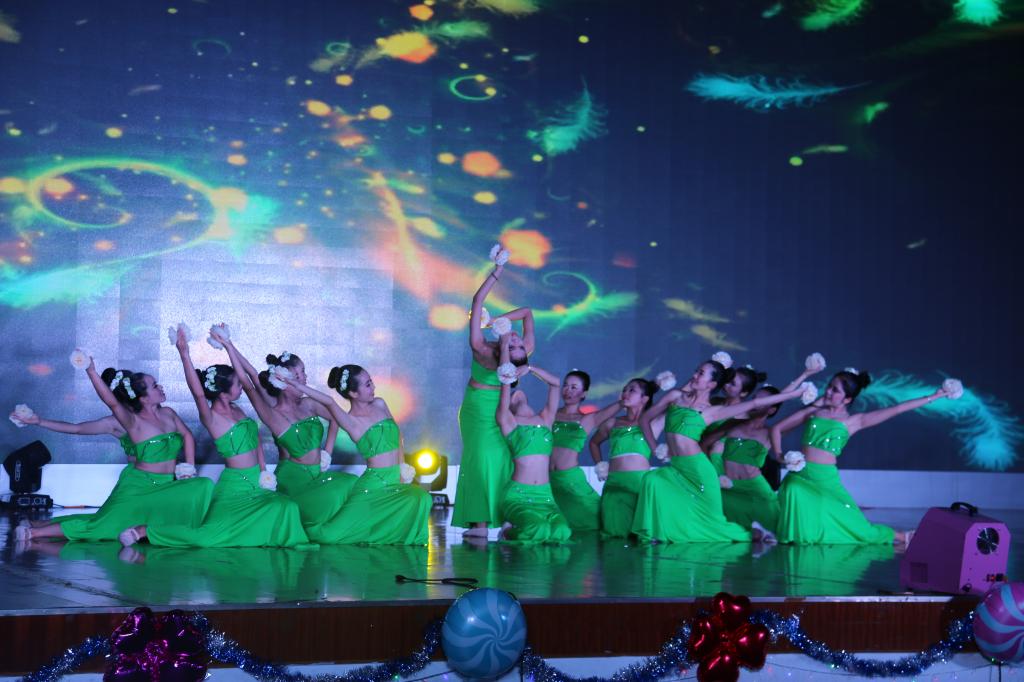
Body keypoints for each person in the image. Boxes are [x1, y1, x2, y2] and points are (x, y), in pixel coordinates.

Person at [118, 328, 309, 548]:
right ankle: (145, 531)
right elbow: (198, 393)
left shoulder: (238, 410)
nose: (241, 387)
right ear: (223, 392)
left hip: (256, 483)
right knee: (206, 538)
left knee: (286, 507)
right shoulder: (212, 417)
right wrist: (184, 354)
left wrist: (264, 472)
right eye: (237, 384)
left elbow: (255, 439)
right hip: (234, 488)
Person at [17, 357, 212, 542]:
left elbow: (187, 436)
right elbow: (97, 414)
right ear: (143, 398)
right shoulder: (130, 422)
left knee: (203, 485)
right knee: (103, 526)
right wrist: (91, 371)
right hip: (138, 485)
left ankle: (159, 533)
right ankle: (33, 532)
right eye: (154, 386)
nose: (160, 387)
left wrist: (188, 468)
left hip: (167, 483)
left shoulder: (168, 413)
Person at [631, 353, 810, 543]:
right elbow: (644, 419)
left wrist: (793, 394)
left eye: (701, 373)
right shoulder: (675, 396)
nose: (694, 375)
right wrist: (655, 448)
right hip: (677, 466)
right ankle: (658, 531)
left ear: (711, 384)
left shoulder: (712, 411)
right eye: (696, 371)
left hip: (698, 470)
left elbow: (756, 403)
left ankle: (749, 533)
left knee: (711, 521)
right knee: (653, 480)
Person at [772, 369, 959, 544]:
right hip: (800, 474)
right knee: (792, 488)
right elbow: (777, 428)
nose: (828, 392)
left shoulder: (853, 421)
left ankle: (900, 536)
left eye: (835, 390)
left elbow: (897, 409)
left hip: (825, 478)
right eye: (829, 386)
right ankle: (797, 537)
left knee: (857, 526)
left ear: (847, 399)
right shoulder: (813, 411)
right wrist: (780, 456)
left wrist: (934, 396)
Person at [279, 364, 431, 544]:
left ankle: (391, 535)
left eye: (371, 382)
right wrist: (297, 385)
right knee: (328, 535)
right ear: (353, 393)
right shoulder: (351, 421)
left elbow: (398, 436)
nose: (373, 387)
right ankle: (291, 527)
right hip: (372, 487)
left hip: (394, 480)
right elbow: (329, 402)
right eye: (367, 385)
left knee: (421, 498)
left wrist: (403, 467)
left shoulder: (380, 404)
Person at [218, 334, 356, 529]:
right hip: (293, 481)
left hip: (317, 476)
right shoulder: (273, 415)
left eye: (304, 372)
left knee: (350, 483)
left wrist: (327, 452)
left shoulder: (308, 404)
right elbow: (249, 380)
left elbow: (337, 417)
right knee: (336, 493)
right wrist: (228, 345)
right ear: (282, 382)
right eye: (299, 376)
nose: (305, 378)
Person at [452, 256, 536, 537]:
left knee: (502, 459)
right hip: (477, 409)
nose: (518, 340)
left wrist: (501, 335)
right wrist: (497, 321)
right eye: (516, 341)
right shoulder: (489, 348)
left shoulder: (488, 352)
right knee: (480, 458)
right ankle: (480, 523)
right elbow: (525, 312)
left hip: (499, 408)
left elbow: (479, 303)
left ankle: (505, 516)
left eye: (516, 344)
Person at [493, 335, 571, 544]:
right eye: (513, 395)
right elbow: (505, 383)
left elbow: (555, 384)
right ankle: (507, 531)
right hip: (519, 495)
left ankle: (522, 527)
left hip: (545, 495)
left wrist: (529, 368)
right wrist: (508, 365)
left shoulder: (545, 419)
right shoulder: (508, 422)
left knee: (562, 532)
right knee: (537, 529)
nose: (518, 394)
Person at [549, 370, 623, 532]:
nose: (568, 390)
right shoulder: (550, 415)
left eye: (574, 387)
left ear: (584, 394)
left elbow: (616, 407)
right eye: (565, 385)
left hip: (571, 481)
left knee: (595, 518)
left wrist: (624, 400)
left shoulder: (586, 420)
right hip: (548, 481)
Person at [588, 378, 663, 538]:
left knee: (641, 533)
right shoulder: (612, 423)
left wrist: (662, 383)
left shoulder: (653, 423)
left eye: (632, 390)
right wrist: (600, 464)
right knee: (613, 533)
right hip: (615, 485)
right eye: (624, 389)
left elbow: (674, 402)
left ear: (644, 398)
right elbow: (594, 443)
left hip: (639, 485)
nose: (625, 393)